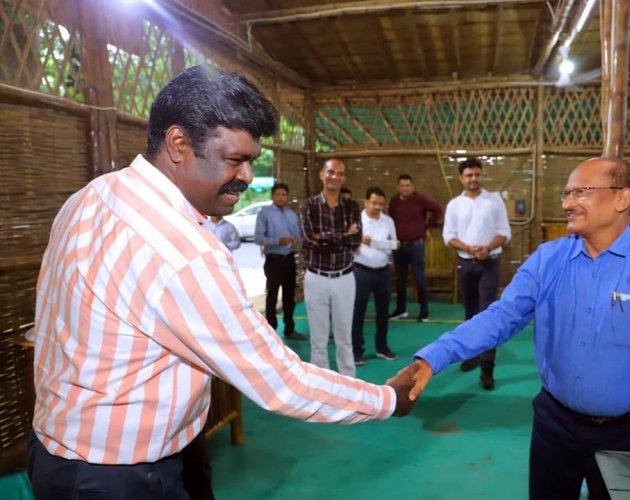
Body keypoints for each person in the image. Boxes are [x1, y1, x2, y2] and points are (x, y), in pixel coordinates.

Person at [27, 66, 416, 500]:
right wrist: (387, 399)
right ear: (179, 145)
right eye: (235, 160)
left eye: (251, 160)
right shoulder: (184, 253)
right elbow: (282, 382)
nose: (248, 176)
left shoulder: (92, 195)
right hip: (121, 477)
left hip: (58, 452)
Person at [392, 157, 630, 499]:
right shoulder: (549, 259)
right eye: (566, 193)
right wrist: (431, 359)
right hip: (554, 427)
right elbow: (499, 317)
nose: (567, 203)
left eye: (580, 192)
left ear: (622, 198)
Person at [442, 158, 511, 390]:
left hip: (489, 264)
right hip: (465, 264)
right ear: (461, 178)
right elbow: (448, 236)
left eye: (477, 175)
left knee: (488, 315)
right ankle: (471, 355)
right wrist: (469, 248)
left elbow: (504, 232)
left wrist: (487, 248)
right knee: (470, 314)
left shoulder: (494, 201)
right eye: (469, 175)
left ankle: (487, 368)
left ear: (481, 177)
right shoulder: (454, 205)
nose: (473, 179)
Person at [300, 159, 361, 377]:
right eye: (331, 172)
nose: (335, 177)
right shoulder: (309, 206)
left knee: (344, 338)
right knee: (318, 340)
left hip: (344, 278)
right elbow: (307, 241)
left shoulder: (352, 207)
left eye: (340, 174)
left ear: (344, 178)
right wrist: (344, 234)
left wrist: (323, 237)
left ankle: (350, 385)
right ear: (322, 175)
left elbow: (356, 240)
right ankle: (322, 388)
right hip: (316, 278)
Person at [352, 186, 399, 365]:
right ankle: (357, 350)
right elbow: (352, 244)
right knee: (358, 312)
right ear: (365, 202)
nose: (377, 207)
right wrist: (383, 244)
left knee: (383, 312)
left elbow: (395, 245)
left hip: (383, 271)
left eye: (380, 203)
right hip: (360, 271)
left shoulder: (388, 221)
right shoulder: (356, 221)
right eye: (374, 203)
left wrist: (371, 242)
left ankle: (382, 347)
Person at [388, 174, 443, 322]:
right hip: (399, 247)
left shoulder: (420, 199)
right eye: (402, 186)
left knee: (419, 279)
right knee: (400, 280)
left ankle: (424, 311)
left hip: (416, 246)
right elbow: (390, 219)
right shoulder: (394, 201)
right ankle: (401, 310)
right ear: (398, 187)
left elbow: (437, 209)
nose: (405, 188)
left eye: (408, 185)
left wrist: (428, 227)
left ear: (412, 186)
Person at [254, 182, 305, 341]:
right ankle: (271, 330)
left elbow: (299, 236)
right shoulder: (265, 214)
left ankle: (290, 329)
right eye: (278, 194)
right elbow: (258, 238)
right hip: (273, 260)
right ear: (272, 196)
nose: (281, 198)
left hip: (289, 259)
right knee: (272, 294)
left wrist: (295, 240)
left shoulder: (292, 214)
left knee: (290, 295)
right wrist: (278, 241)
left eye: (284, 195)